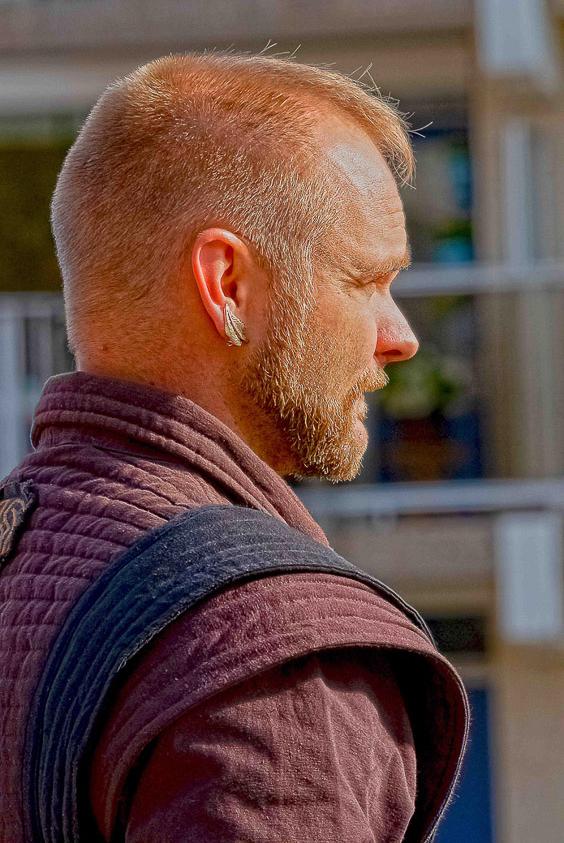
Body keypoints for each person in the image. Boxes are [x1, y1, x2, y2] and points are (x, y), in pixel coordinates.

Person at [0, 53, 468, 842]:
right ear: (227, 286)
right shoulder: (265, 661)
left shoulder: (25, 556)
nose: (400, 337)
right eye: (364, 281)